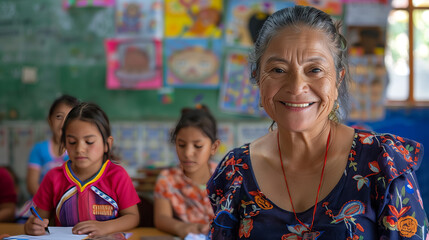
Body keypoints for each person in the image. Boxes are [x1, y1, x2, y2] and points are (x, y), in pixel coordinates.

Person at [207, 5, 428, 239]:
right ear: (257, 78)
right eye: (278, 69)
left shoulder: (381, 163)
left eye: (314, 69)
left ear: (337, 80)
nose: (296, 86)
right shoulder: (235, 171)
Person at [24, 102, 140, 237]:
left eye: (89, 142)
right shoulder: (53, 177)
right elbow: (38, 219)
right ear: (64, 144)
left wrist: (105, 227)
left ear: (107, 144)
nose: (79, 149)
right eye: (72, 142)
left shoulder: (117, 175)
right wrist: (31, 226)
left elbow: (133, 216)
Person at [154, 105, 220, 239]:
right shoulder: (167, 179)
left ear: (214, 147)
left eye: (198, 146)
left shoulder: (227, 176)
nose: (188, 153)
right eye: (181, 145)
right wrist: (182, 228)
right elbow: (161, 218)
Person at [16, 95, 80, 223]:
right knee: (29, 224)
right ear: (50, 120)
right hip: (41, 203)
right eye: (58, 117)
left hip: (71, 204)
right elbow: (32, 184)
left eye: (69, 117)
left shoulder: (78, 151)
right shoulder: (39, 149)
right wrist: (49, 203)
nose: (63, 122)